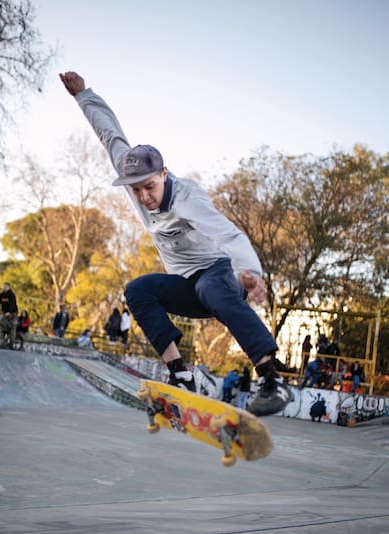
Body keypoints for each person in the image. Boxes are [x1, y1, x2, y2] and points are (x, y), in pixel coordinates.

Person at [60, 71, 291, 416]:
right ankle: (181, 374)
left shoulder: (188, 199)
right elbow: (110, 134)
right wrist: (83, 96)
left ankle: (272, 381)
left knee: (212, 289)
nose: (143, 197)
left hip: (219, 274)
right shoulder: (133, 179)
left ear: (164, 175)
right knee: (138, 290)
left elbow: (229, 234)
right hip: (186, 286)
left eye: (149, 187)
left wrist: (250, 273)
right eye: (136, 189)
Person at [0, 282, 18, 347]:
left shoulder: (11, 294)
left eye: (6, 287)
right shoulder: (2, 294)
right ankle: (3, 340)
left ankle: (11, 343)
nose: (4, 288)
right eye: (4, 287)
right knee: (1, 325)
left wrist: (9, 311)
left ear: (9, 287)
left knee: (13, 327)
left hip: (12, 313)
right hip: (4, 313)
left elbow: (12, 304)